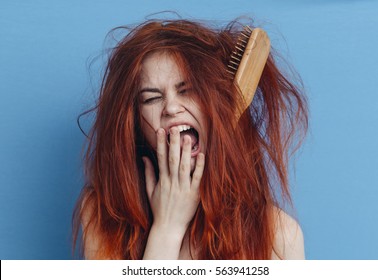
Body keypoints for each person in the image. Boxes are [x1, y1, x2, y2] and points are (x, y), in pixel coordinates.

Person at [72, 18, 308, 260]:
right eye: (151, 99)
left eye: (187, 90)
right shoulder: (103, 215)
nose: (171, 108)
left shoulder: (280, 236)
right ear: (136, 124)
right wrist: (167, 228)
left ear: (217, 103)